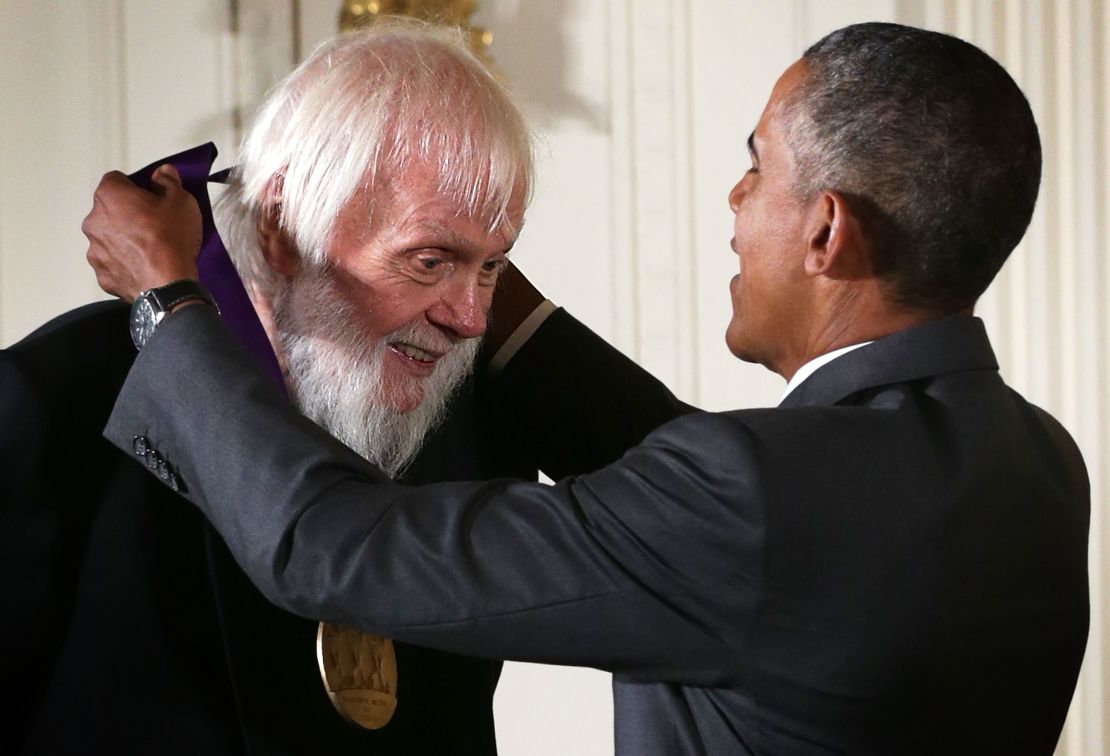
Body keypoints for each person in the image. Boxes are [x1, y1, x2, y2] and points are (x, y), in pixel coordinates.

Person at [85, 22, 1089, 755]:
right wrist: (467, 270)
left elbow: (326, 547)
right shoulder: (1039, 464)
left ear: (826, 231)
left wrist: (168, 299)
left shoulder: (753, 505)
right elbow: (713, 495)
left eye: (755, 169)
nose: (735, 204)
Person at [1, 21, 682, 755]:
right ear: (283, 228)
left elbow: (692, 499)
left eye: (491, 266)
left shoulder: (475, 418)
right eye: (428, 261)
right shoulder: (52, 402)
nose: (471, 318)